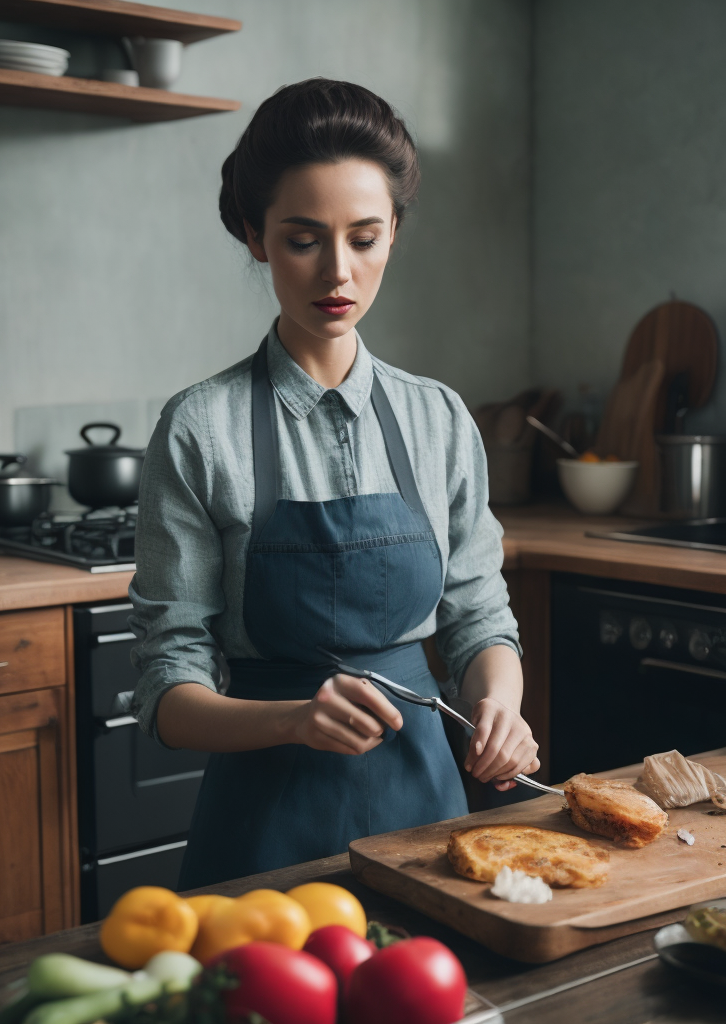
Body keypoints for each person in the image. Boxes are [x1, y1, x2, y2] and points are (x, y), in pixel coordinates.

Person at [129, 78, 539, 889]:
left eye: (365, 237)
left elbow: (479, 616)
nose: (338, 273)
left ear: (394, 234)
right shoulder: (198, 429)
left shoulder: (440, 419)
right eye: (304, 239)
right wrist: (294, 718)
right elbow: (167, 690)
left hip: (429, 819)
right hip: (263, 831)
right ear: (255, 236)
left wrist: (501, 703)